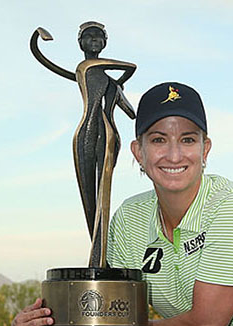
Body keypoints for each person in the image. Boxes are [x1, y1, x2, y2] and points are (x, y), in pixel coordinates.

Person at [12, 82, 233, 326]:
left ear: (205, 149)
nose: (173, 155)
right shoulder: (129, 218)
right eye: (158, 140)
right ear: (138, 152)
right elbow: (113, 310)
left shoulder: (231, 206)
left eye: (187, 140)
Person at [31, 21, 136, 266]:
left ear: (105, 41)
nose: (94, 40)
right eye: (89, 36)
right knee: (88, 195)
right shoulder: (86, 67)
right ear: (80, 43)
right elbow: (130, 67)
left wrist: (118, 88)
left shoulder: (110, 83)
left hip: (109, 136)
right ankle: (99, 258)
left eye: (99, 36)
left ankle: (100, 259)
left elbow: (130, 111)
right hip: (86, 134)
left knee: (103, 195)